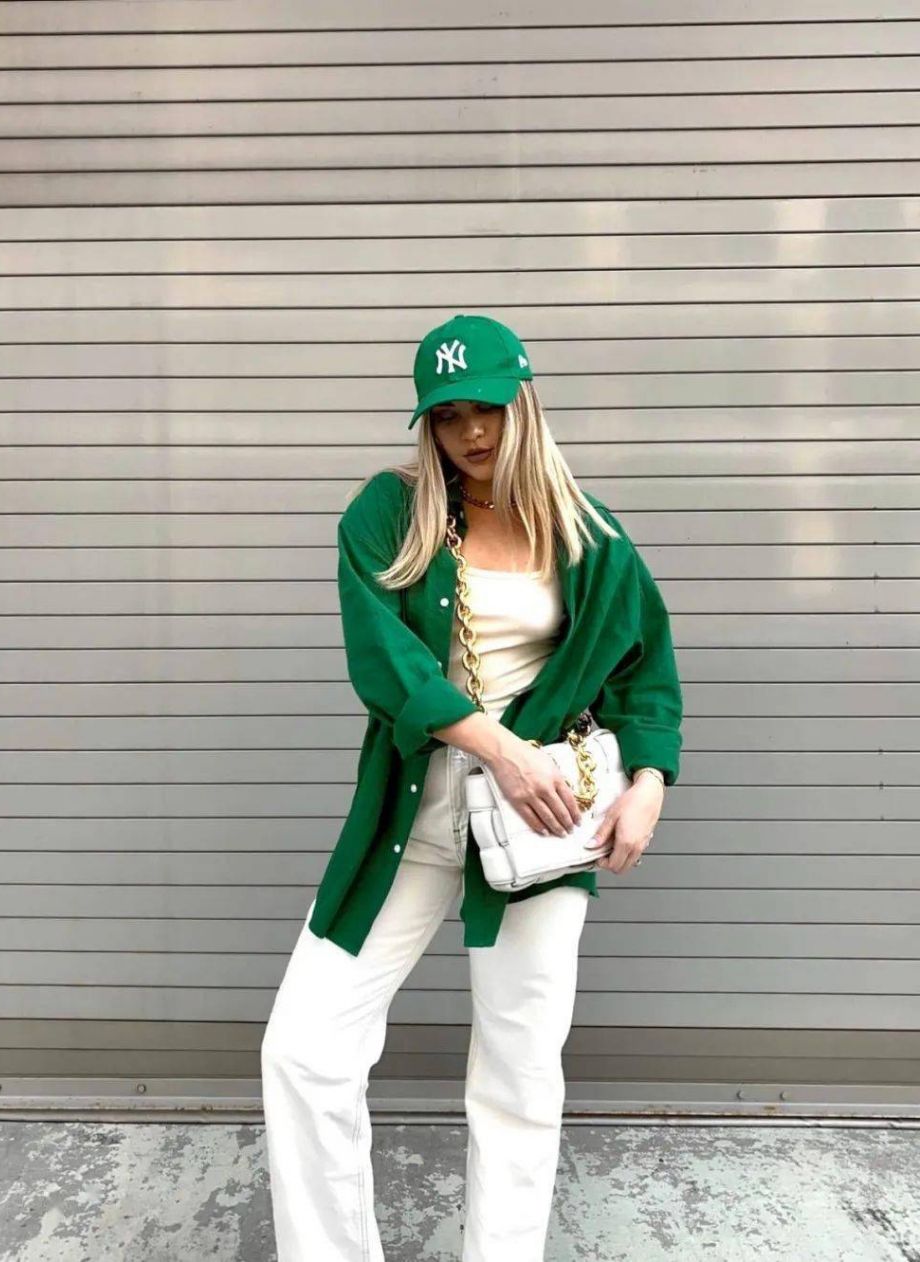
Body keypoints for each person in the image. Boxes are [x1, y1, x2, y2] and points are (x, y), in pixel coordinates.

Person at [260, 313, 683, 1262]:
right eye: (447, 416)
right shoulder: (390, 512)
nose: (471, 432)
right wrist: (502, 749)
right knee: (303, 1049)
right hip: (411, 818)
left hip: (544, 830)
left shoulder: (590, 532)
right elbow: (386, 661)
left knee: (519, 1075)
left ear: (523, 402)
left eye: (486, 408)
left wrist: (650, 781)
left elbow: (645, 670)